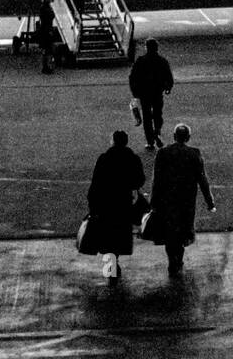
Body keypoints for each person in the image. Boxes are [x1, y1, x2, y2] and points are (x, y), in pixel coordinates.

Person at [151, 123, 215, 277]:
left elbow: (156, 180)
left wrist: (153, 201)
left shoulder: (163, 153)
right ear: (188, 137)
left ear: (174, 137)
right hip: (186, 201)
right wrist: (209, 201)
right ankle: (178, 259)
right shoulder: (194, 154)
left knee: (169, 232)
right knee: (182, 230)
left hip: (167, 200)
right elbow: (202, 179)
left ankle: (172, 260)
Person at [86, 130, 146, 287]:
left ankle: (111, 267)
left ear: (113, 141)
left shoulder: (104, 158)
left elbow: (96, 183)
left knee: (108, 235)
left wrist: (92, 205)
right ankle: (115, 261)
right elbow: (139, 180)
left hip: (106, 202)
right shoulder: (133, 158)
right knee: (119, 233)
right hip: (123, 202)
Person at [128, 38, 174, 150]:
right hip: (157, 92)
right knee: (158, 114)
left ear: (146, 48)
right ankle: (157, 131)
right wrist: (168, 87)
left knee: (147, 117)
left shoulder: (141, 61)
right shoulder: (162, 61)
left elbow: (132, 77)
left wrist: (135, 92)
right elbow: (168, 76)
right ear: (157, 48)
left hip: (144, 93)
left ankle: (150, 141)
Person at [36, 0, 57, 74]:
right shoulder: (45, 8)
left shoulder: (44, 7)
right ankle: (45, 67)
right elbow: (47, 19)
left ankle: (46, 66)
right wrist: (49, 31)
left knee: (47, 50)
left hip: (45, 30)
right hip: (46, 30)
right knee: (47, 50)